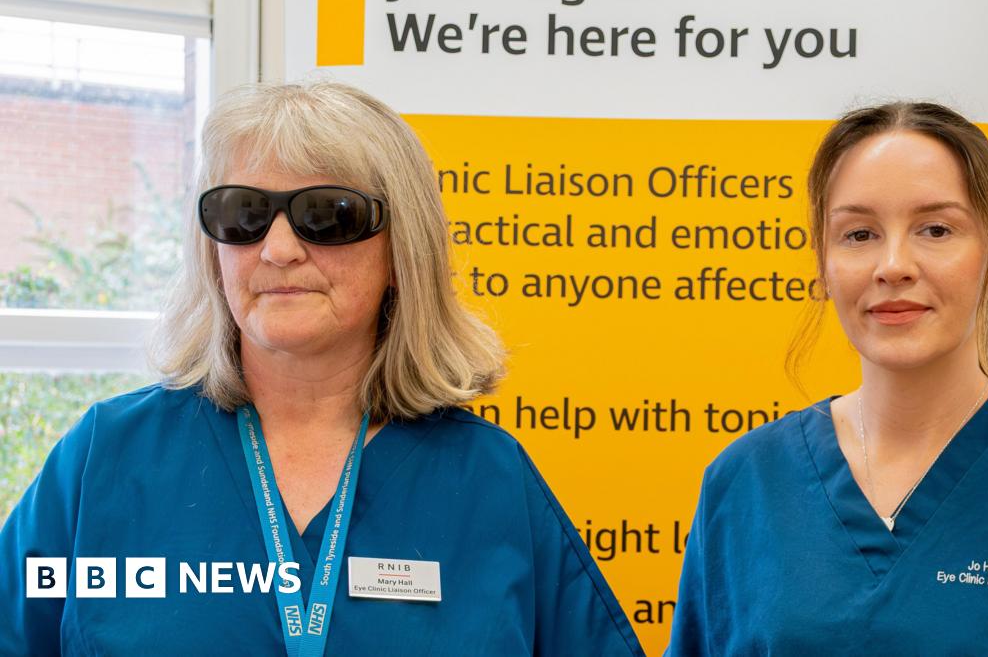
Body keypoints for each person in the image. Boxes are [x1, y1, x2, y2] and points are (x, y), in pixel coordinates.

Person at [0, 81, 644, 657]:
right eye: (243, 214)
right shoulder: (105, 458)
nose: (278, 249)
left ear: (403, 253)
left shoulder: (488, 479)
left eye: (329, 215)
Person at [666, 102, 988, 655]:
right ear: (823, 263)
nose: (893, 265)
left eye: (936, 229)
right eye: (859, 234)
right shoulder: (747, 482)